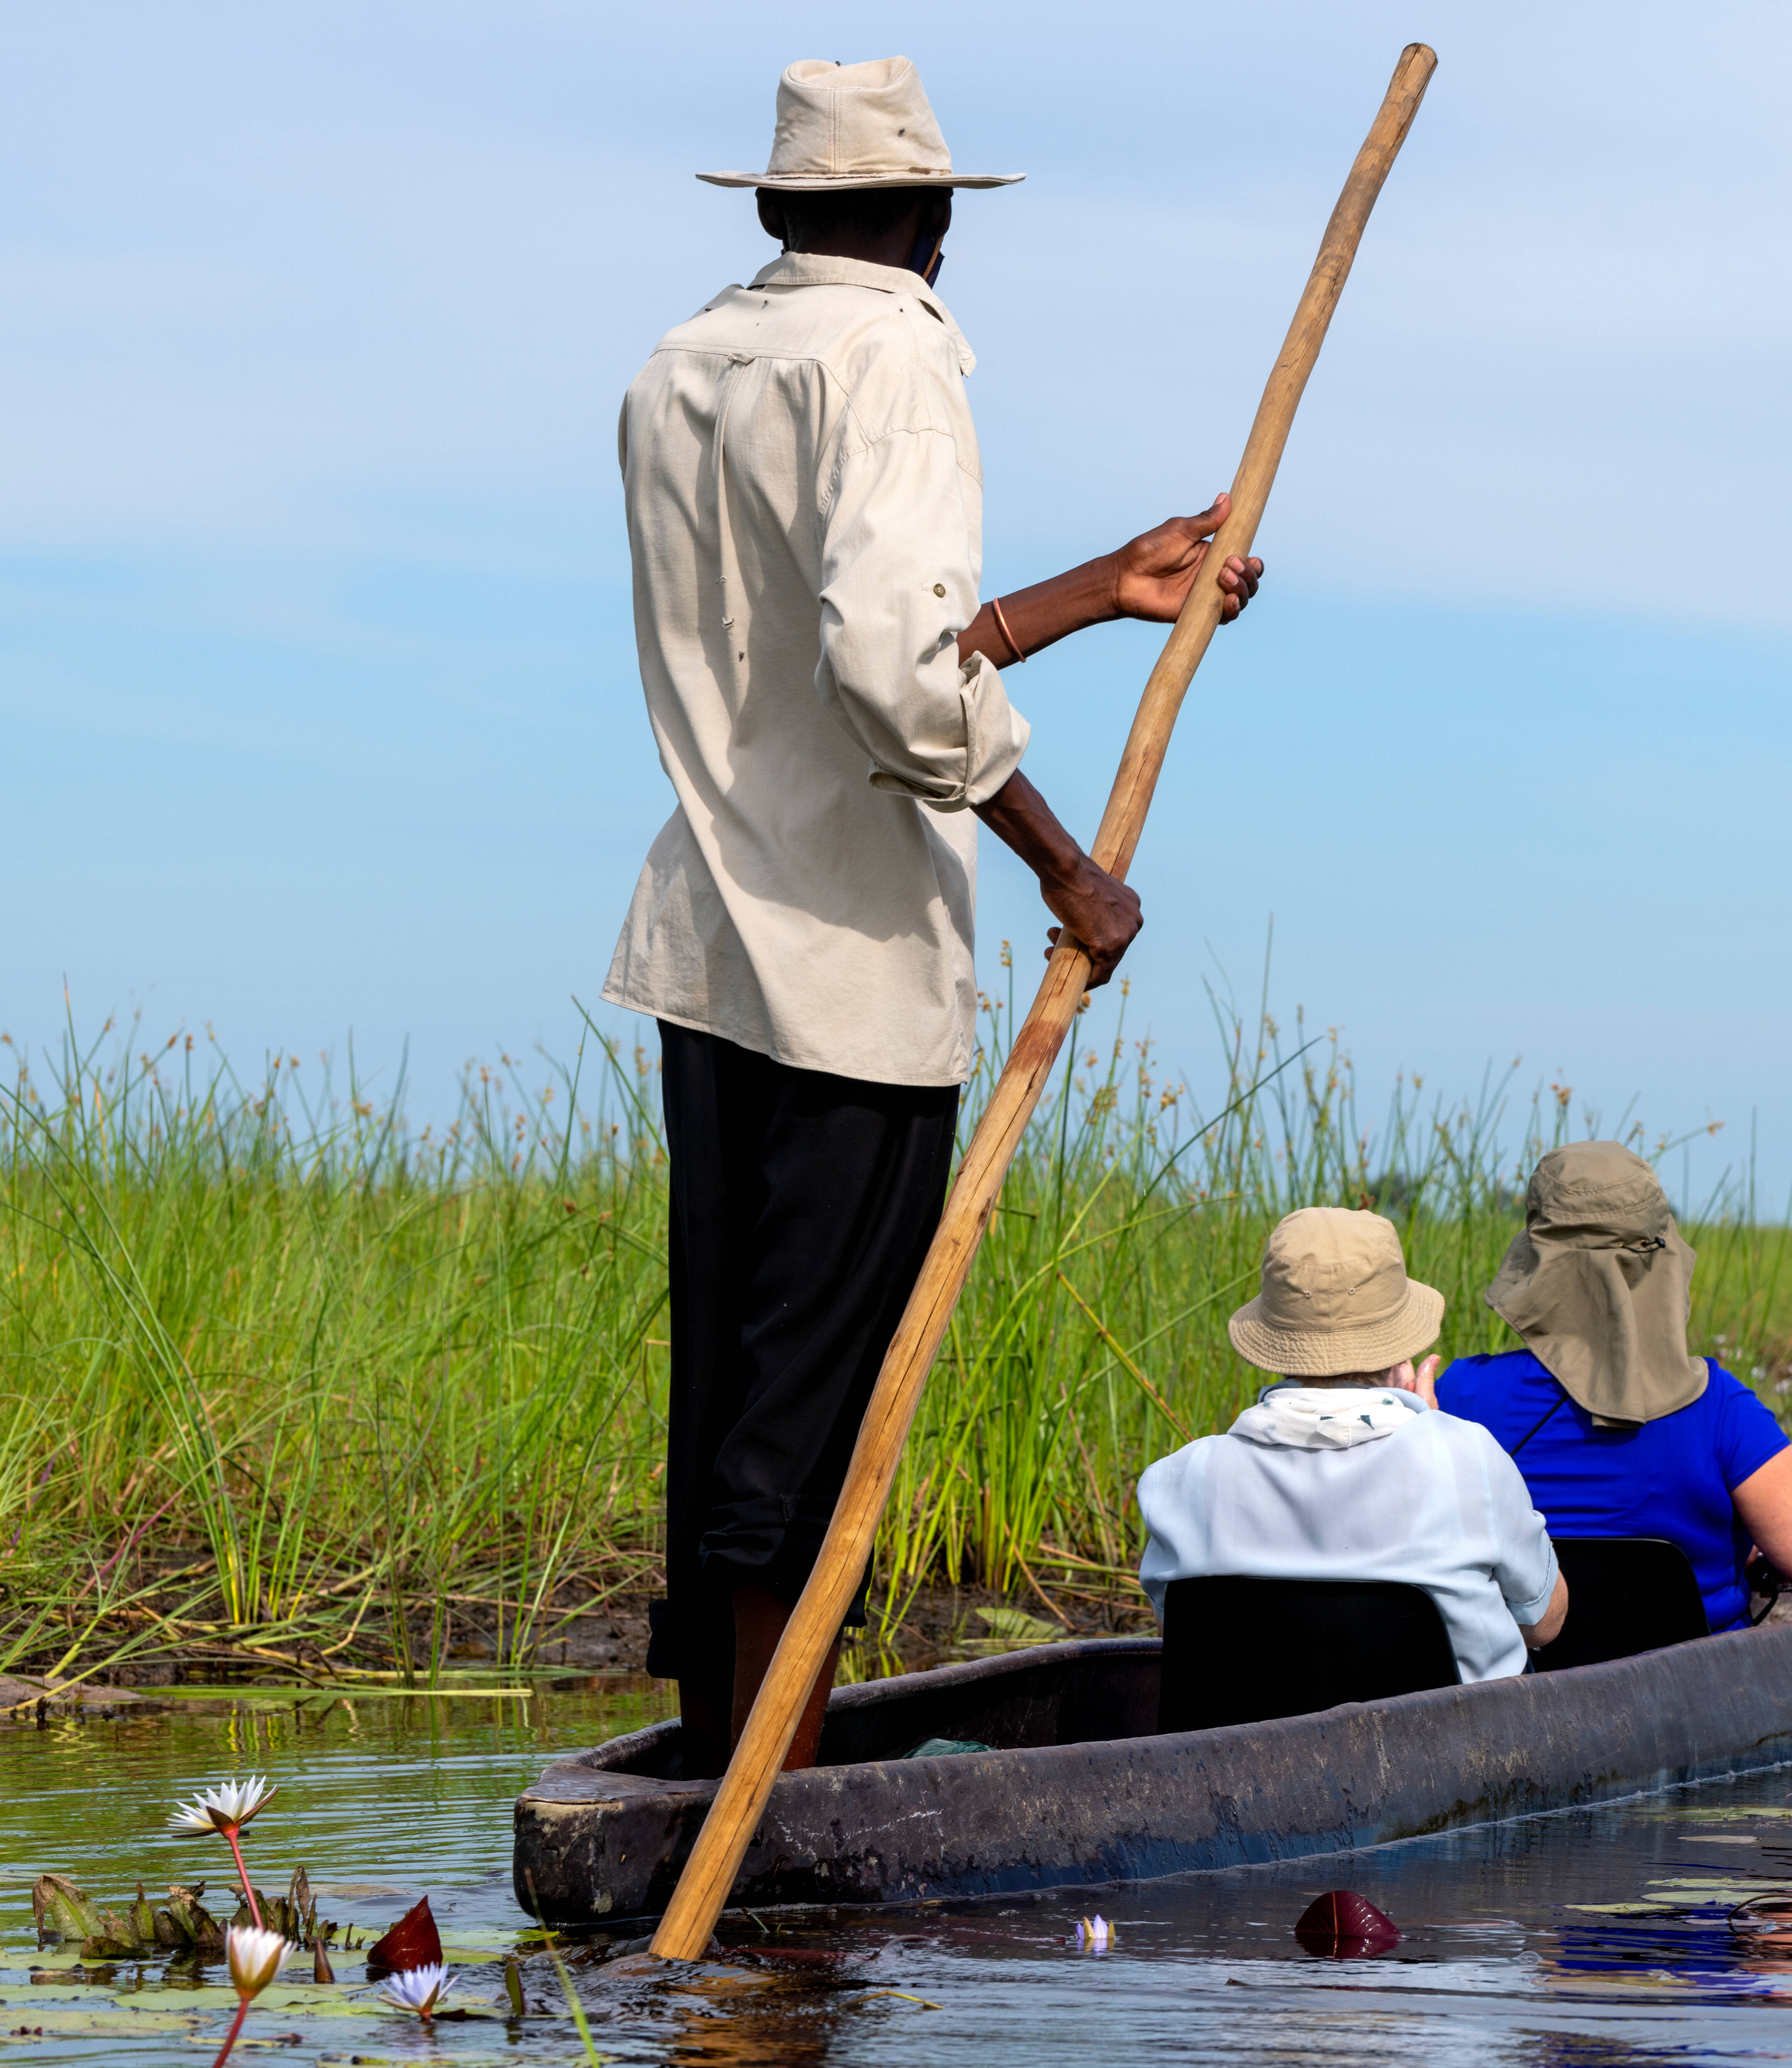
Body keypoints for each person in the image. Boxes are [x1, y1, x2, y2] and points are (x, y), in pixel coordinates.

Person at [607, 56, 1267, 1775]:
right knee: (810, 1417)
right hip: (846, 964)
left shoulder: (685, 364)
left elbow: (849, 658)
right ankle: (777, 1808)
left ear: (772, 209)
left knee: (731, 1394)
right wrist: (1065, 861)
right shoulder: (894, 352)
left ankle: (720, 1778)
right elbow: (897, 687)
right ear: (919, 222)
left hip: (714, 941)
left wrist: (1102, 590)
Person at [1441, 1143, 1792, 1631]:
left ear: (1535, 1258)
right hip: (1697, 1674)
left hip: (1525, 1670)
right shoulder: (1719, 1407)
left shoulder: (1461, 1393)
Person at [1138, 1209, 1568, 1682]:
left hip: (1255, 1752)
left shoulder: (1182, 1477)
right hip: (1445, 1751)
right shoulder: (1469, 1456)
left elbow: (1177, 1631)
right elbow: (1542, 1623)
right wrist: (1435, 1429)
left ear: (1275, 1340)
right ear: (1400, 1353)